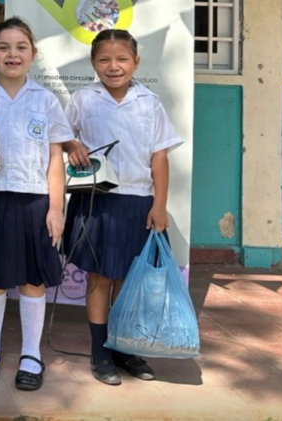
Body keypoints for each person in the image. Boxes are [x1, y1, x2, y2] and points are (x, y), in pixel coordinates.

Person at [62, 29, 182, 386]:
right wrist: (72, 145)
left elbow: (159, 158)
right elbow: (61, 136)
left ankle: (124, 347)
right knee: (100, 277)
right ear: (93, 63)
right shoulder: (83, 100)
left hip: (138, 203)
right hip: (96, 201)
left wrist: (159, 205)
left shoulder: (150, 102)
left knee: (129, 280)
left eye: (122, 59)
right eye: (104, 60)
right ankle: (100, 352)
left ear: (136, 62)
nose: (113, 67)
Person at [0, 17, 74, 392]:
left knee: (32, 280)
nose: (12, 54)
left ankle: (32, 352)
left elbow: (54, 160)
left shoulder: (45, 100)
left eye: (21, 47)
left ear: (32, 54)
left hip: (34, 201)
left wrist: (55, 208)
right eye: (3, 47)